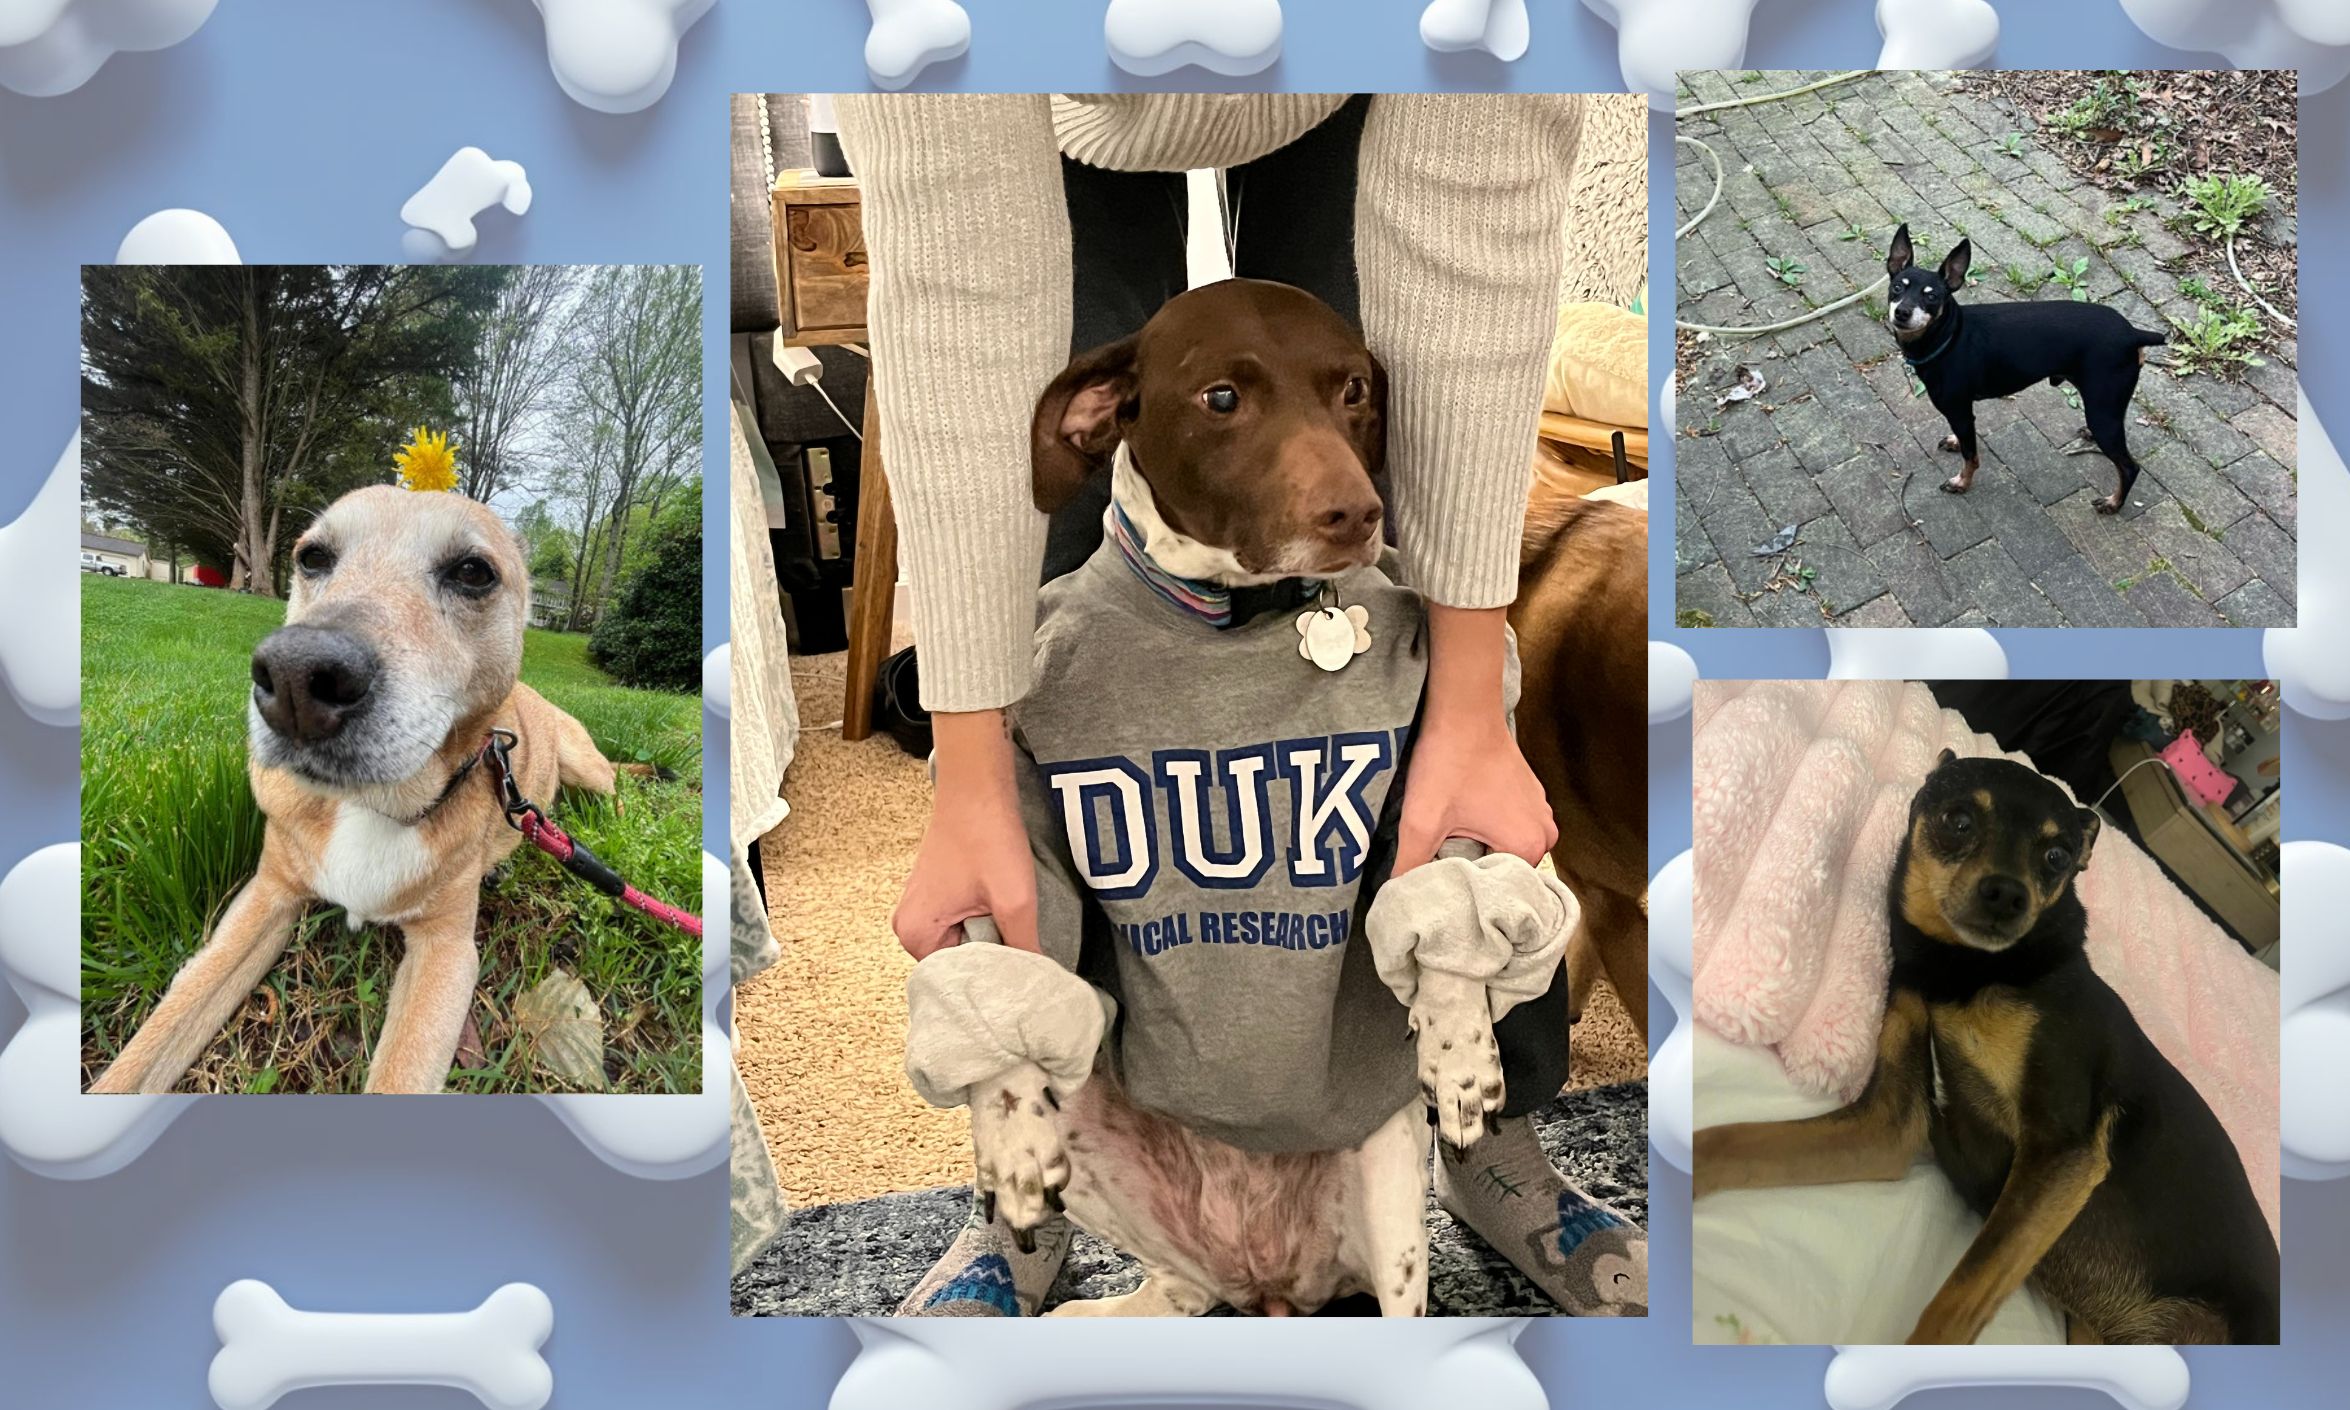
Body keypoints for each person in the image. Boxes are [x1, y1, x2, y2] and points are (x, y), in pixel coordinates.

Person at [832, 93, 1644, 1316]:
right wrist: (969, 769)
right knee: (1070, 367)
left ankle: (1487, 1134)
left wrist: (1472, 698)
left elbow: (1471, 230)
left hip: (1359, 71)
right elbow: (960, 295)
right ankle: (1026, 1201)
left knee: (1359, 354)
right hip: (1035, 98)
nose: (1345, 490)